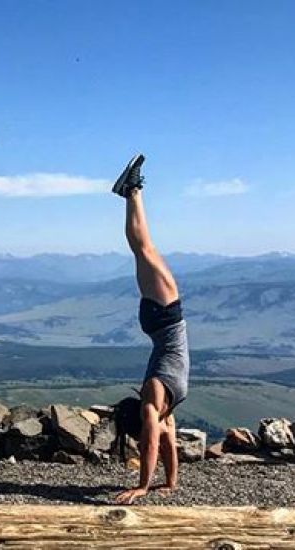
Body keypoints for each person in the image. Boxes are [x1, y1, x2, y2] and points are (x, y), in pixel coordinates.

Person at [112, 154, 190, 504]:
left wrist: (156, 483)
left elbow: (157, 439)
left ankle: (133, 192)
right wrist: (156, 484)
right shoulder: (156, 405)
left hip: (165, 318)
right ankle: (131, 190)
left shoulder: (158, 401)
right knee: (143, 248)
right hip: (164, 319)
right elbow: (161, 441)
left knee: (143, 248)